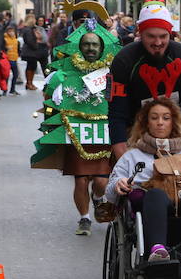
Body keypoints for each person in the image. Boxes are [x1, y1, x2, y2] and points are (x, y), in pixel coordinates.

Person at [105, 98, 181, 273]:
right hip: (151, 208)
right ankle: (157, 250)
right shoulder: (132, 155)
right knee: (155, 194)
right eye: (154, 118)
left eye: (166, 118)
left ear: (174, 122)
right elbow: (110, 194)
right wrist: (119, 183)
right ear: (146, 123)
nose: (160, 123)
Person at [31, 15, 120, 235]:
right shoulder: (64, 73)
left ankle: (98, 198)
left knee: (101, 182)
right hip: (76, 132)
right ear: (80, 47)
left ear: (102, 47)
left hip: (103, 133)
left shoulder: (113, 72)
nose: (90, 48)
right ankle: (84, 218)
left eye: (95, 45)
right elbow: (50, 97)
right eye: (86, 44)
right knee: (81, 181)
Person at [108, 0, 181, 159]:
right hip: (134, 133)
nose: (158, 43)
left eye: (163, 36)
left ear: (170, 34)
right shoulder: (123, 60)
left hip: (175, 134)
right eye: (151, 36)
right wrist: (121, 153)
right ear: (140, 33)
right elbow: (116, 112)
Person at [20, 14, 43, 91]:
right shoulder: (28, 30)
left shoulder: (30, 29)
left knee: (32, 66)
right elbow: (30, 41)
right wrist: (36, 45)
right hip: (29, 51)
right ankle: (29, 83)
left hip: (30, 51)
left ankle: (30, 82)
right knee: (31, 66)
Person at [3, 26, 20, 95]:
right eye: (9, 31)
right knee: (6, 75)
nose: (11, 33)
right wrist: (6, 48)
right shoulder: (5, 39)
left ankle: (12, 89)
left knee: (15, 74)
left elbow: (17, 49)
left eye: (12, 31)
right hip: (7, 59)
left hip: (14, 58)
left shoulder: (15, 39)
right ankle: (5, 89)